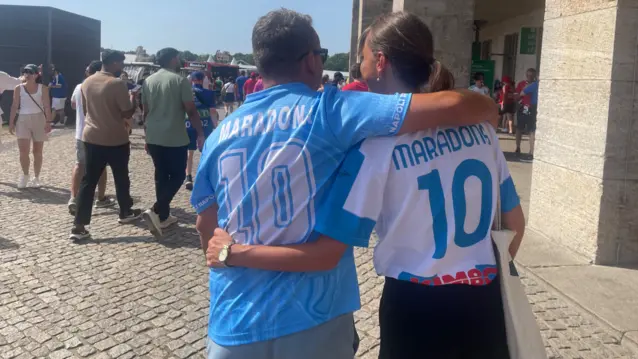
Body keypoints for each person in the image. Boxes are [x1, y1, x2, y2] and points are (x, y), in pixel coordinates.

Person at [190, 8, 496, 359]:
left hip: (234, 321)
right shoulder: (333, 111)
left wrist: (231, 254)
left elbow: (205, 225)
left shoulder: (219, 136)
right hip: (314, 319)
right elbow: (454, 103)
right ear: (310, 61)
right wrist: (486, 104)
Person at [311, 12, 525, 358]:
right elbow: (515, 224)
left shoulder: (375, 146)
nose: (359, 67)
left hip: (414, 306)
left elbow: (333, 242)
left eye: (363, 58)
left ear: (380, 62)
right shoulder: (482, 131)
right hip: (483, 300)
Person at [69, 50, 143, 240]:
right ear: (113, 63)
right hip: (115, 138)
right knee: (121, 176)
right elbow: (127, 113)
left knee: (88, 180)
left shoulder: (87, 82)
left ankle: (79, 225)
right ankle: (125, 211)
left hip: (92, 136)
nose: (123, 67)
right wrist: (134, 99)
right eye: (121, 64)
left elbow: (85, 110)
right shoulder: (117, 83)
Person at [141, 47, 205, 239]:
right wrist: (200, 132)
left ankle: (164, 215)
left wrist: (146, 134)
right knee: (178, 175)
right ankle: (156, 209)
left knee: (160, 174)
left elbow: (145, 111)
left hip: (153, 135)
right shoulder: (180, 81)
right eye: (177, 57)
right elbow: (191, 111)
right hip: (174, 136)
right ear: (172, 59)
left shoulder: (148, 81)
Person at [68, 60, 116, 215]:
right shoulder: (104, 86)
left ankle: (74, 198)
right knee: (101, 167)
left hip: (81, 133)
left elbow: (73, 105)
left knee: (79, 165)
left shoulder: (79, 87)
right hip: (97, 132)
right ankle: (101, 198)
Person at [8, 64, 52, 189]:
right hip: (22, 119)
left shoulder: (43, 88)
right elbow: (14, 106)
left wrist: (48, 121)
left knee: (37, 152)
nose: (27, 74)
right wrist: (11, 123)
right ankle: (25, 175)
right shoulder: (18, 88)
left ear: (36, 74)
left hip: (39, 119)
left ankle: (36, 177)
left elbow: (47, 106)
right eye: (25, 72)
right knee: (23, 151)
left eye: (30, 72)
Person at [184, 71, 217, 191]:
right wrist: (215, 125)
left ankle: (188, 177)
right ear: (203, 80)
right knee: (205, 152)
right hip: (205, 124)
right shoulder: (209, 93)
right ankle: (203, 177)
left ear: (191, 80)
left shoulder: (186, 92)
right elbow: (213, 112)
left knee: (190, 152)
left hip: (188, 124)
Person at [515, 68, 538, 159]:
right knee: (519, 128)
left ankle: (531, 150)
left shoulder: (535, 85)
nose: (530, 77)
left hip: (532, 108)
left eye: (531, 76)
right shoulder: (521, 84)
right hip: (523, 107)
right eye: (528, 75)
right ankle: (518, 147)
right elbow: (517, 95)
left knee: (531, 130)